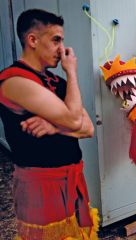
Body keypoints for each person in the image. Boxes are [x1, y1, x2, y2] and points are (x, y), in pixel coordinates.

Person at [0, 9, 98, 239]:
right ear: (32, 40)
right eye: (56, 40)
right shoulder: (14, 80)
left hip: (72, 176)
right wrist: (72, 72)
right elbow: (76, 120)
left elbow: (88, 129)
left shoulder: (56, 81)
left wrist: (55, 126)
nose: (62, 49)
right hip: (39, 183)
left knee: (77, 233)